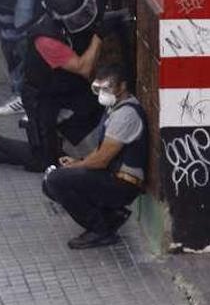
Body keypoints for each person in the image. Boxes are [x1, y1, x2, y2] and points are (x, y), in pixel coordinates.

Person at [0, 0, 112, 171]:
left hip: (67, 83)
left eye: (84, 12)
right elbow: (83, 68)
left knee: (98, 104)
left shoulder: (84, 5)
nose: (83, 19)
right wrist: (99, 36)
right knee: (44, 161)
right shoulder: (46, 39)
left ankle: (55, 139)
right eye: (76, 18)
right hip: (41, 94)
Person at [43, 64, 149, 249]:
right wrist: (79, 162)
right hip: (111, 175)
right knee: (51, 182)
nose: (102, 93)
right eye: (98, 89)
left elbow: (101, 160)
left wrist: (74, 167)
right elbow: (103, 151)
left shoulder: (126, 115)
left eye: (106, 89)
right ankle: (110, 216)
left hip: (123, 184)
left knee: (56, 181)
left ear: (122, 87)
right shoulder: (115, 108)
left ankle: (100, 229)